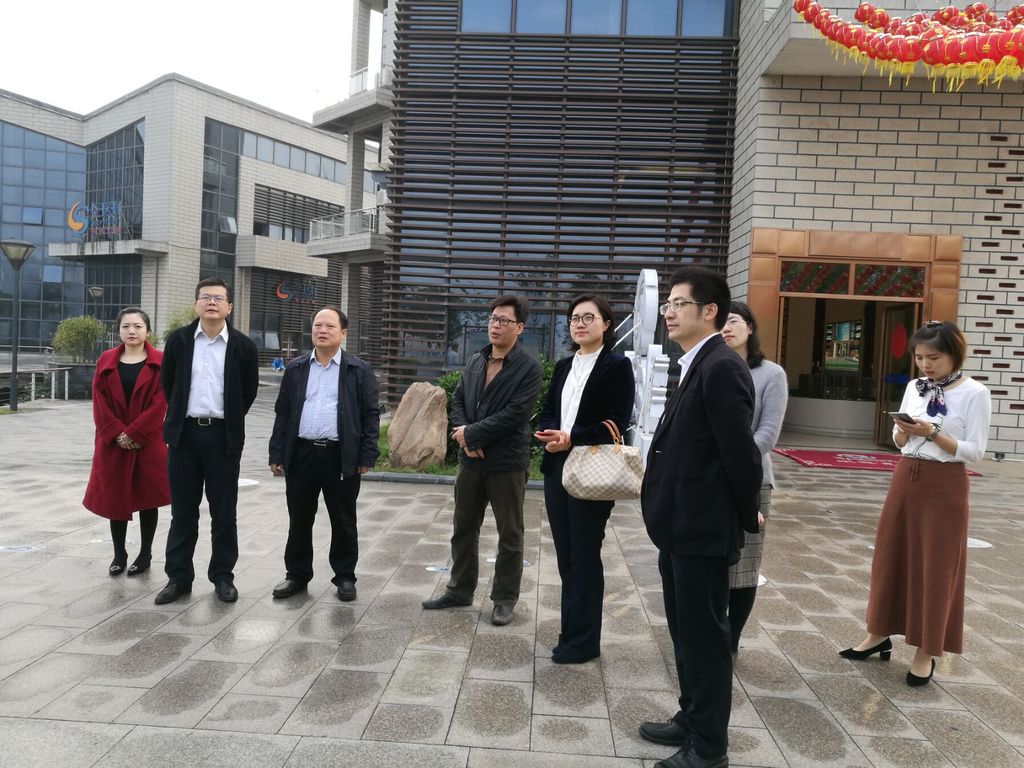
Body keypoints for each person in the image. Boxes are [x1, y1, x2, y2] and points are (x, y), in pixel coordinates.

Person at [639, 266, 762, 768]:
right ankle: (691, 718)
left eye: (678, 304)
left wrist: (746, 516)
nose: (668, 312)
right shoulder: (696, 361)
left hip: (703, 528)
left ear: (710, 311)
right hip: (680, 525)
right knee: (685, 632)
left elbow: (740, 454)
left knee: (706, 639)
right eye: (666, 304)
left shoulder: (722, 367)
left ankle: (709, 749)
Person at [840, 321, 991, 687]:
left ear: (954, 354)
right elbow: (899, 442)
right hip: (905, 475)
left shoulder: (975, 393)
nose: (925, 365)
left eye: (933, 358)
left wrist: (933, 433)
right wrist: (902, 431)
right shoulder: (914, 387)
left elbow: (975, 452)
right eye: (920, 357)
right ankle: (878, 633)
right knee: (890, 556)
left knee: (937, 566)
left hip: (945, 483)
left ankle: (926, 650)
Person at [421, 295, 542, 625]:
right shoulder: (476, 360)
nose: (495, 325)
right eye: (492, 319)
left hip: (506, 463)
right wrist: (464, 435)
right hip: (471, 463)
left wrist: (472, 435)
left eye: (503, 320)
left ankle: (504, 599)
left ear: (519, 327)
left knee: (510, 535)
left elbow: (516, 414)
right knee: (463, 528)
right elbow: (459, 399)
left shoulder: (529, 368)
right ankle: (459, 590)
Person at [535, 294, 634, 664]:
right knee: (566, 556)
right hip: (557, 466)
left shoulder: (617, 366)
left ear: (606, 324)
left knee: (585, 556)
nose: (579, 323)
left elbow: (616, 423)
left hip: (592, 470)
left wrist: (571, 437)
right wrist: (549, 432)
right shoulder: (564, 365)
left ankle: (584, 641)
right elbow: (548, 410)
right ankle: (570, 633)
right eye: (574, 318)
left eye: (588, 317)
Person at [155, 278, 259, 605]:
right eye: (205, 297)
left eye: (218, 298)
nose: (211, 302)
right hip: (184, 437)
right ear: (196, 304)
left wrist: (226, 419)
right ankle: (178, 579)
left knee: (224, 512)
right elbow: (168, 385)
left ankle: (223, 577)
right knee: (183, 513)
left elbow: (248, 391)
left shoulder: (243, 346)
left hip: (222, 438)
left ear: (229, 306)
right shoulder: (179, 341)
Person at [268, 307, 380, 602]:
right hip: (302, 453)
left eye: (329, 326)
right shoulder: (297, 368)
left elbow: (370, 415)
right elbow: (283, 412)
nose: (322, 330)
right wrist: (277, 452)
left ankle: (344, 576)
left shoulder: (358, 370)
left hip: (340, 455)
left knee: (343, 519)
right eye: (318, 325)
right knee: (299, 518)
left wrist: (367, 455)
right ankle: (296, 575)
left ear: (343, 333)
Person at [720, 301, 788, 657]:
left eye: (733, 321)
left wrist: (735, 463)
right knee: (712, 561)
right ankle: (710, 633)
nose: (726, 328)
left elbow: (768, 432)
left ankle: (730, 641)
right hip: (710, 480)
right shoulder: (708, 367)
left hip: (751, 479)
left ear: (750, 327)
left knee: (744, 566)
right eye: (721, 322)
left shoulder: (771, 374)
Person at [83, 307, 170, 577]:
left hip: (147, 441)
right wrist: (117, 433)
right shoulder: (106, 360)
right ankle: (119, 554)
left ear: (147, 331)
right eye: (126, 326)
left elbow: (161, 401)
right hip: (113, 443)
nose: (132, 331)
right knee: (115, 498)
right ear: (118, 331)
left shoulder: (160, 361)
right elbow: (99, 400)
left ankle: (145, 554)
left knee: (148, 499)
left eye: (138, 326)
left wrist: (135, 433)